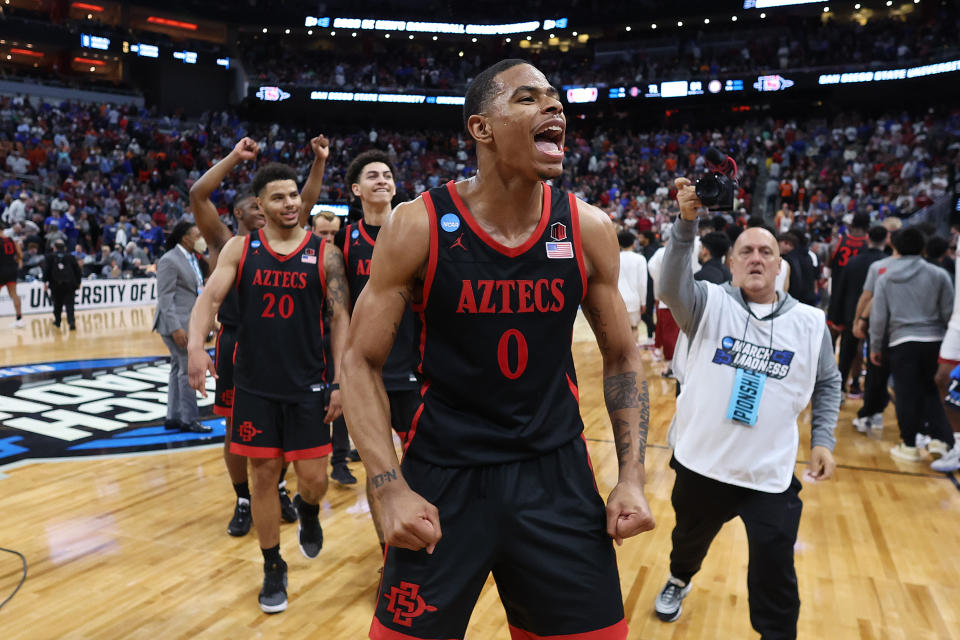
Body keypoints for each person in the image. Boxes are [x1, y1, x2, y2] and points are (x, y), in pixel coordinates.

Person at [342, 59, 655, 640]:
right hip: (444, 475)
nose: (555, 108)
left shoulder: (587, 228)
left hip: (555, 475)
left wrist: (631, 475)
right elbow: (359, 360)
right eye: (529, 98)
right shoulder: (419, 225)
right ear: (481, 128)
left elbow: (623, 357)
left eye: (557, 100)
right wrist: (388, 488)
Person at [654, 177, 840, 640]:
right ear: (731, 265)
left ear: (780, 266)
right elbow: (671, 284)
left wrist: (823, 440)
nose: (756, 258)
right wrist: (686, 222)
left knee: (776, 569)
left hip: (769, 475)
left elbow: (829, 383)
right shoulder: (707, 304)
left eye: (766, 252)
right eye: (746, 252)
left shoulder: (810, 323)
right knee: (687, 542)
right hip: (703, 462)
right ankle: (679, 578)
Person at [187, 162, 350, 614]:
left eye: (294, 195)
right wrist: (197, 347)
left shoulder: (325, 254)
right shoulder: (240, 248)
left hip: (309, 386)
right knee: (262, 475)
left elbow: (340, 321)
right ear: (260, 206)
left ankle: (310, 509)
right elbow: (210, 299)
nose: (291, 203)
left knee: (314, 480)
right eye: (279, 197)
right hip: (255, 388)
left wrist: (340, 381)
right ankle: (273, 564)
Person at [189, 135, 329, 537]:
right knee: (237, 430)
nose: (286, 204)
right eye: (259, 202)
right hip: (237, 343)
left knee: (282, 434)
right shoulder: (225, 242)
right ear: (247, 209)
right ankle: (244, 497)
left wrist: (318, 162)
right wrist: (234, 156)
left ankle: (278, 487)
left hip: (285, 347)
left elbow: (307, 196)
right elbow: (199, 193)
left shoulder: (292, 233)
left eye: (289, 199)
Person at [869, 227, 956, 466]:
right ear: (923, 248)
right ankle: (940, 439)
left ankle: (909, 445)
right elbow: (950, 312)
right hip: (935, 342)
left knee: (905, 394)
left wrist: (875, 345)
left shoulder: (885, 277)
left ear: (895, 247)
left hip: (901, 342)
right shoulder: (939, 275)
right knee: (932, 391)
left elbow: (878, 317)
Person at [311, 209, 357, 486]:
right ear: (312, 231)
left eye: (332, 233)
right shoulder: (304, 257)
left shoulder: (343, 259)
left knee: (340, 397)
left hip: (340, 336)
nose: (328, 238)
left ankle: (339, 461)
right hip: (310, 338)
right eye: (322, 232)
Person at [152, 221, 211, 434]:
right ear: (185, 238)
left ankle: (174, 416)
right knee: (188, 371)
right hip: (176, 323)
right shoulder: (169, 260)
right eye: (197, 235)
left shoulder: (191, 258)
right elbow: (165, 298)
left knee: (178, 368)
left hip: (187, 321)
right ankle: (189, 419)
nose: (201, 239)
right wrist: (176, 328)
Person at [832, 225, 888, 418]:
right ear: (886, 239)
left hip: (851, 316)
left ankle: (838, 393)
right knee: (874, 362)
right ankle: (872, 407)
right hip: (879, 319)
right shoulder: (887, 263)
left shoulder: (853, 262)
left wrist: (836, 317)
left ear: (867, 238)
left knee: (846, 356)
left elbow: (840, 289)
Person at [42, 239, 81, 330]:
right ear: (65, 248)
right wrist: (79, 282)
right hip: (69, 284)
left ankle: (58, 321)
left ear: (54, 248)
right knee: (70, 304)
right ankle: (71, 321)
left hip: (56, 284)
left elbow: (46, 270)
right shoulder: (71, 256)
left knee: (57, 303)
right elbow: (77, 271)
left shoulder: (50, 257)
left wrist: (45, 282)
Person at [617, 229, 648, 339]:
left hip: (617, 300)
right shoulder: (640, 259)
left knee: (619, 331)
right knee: (634, 328)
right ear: (634, 243)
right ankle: (633, 354)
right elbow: (642, 284)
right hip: (634, 300)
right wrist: (643, 302)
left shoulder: (614, 258)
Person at [0, 233, 24, 327]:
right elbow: (20, 255)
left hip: (1, 270)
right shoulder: (12, 241)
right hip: (12, 269)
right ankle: (19, 319)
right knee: (14, 294)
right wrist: (13, 261)